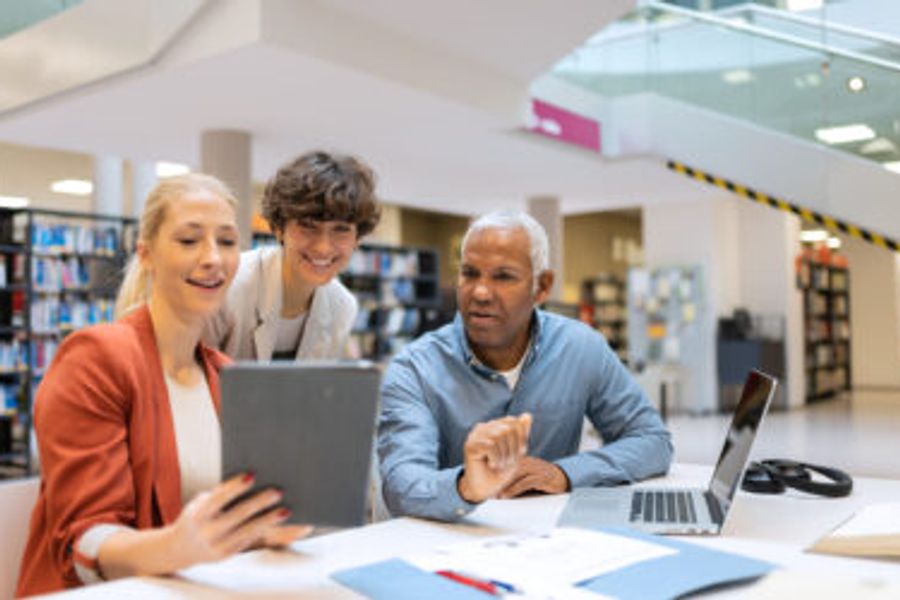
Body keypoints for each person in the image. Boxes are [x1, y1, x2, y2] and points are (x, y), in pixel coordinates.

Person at [17, 174, 310, 596]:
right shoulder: (94, 359)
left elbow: (223, 520)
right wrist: (175, 547)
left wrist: (263, 530)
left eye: (227, 242)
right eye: (189, 240)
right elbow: (83, 542)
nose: (212, 258)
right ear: (147, 254)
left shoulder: (228, 376)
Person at [378, 210, 673, 521]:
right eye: (470, 273)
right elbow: (401, 484)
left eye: (503, 276)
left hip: (555, 545)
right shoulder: (414, 369)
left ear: (542, 286)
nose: (480, 292)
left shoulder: (581, 347)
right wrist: (466, 486)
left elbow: (652, 441)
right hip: (450, 541)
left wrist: (565, 473)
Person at [204, 151, 381, 360]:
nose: (323, 248)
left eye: (341, 229)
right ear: (279, 228)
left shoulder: (342, 306)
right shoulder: (228, 286)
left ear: (357, 238)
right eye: (307, 226)